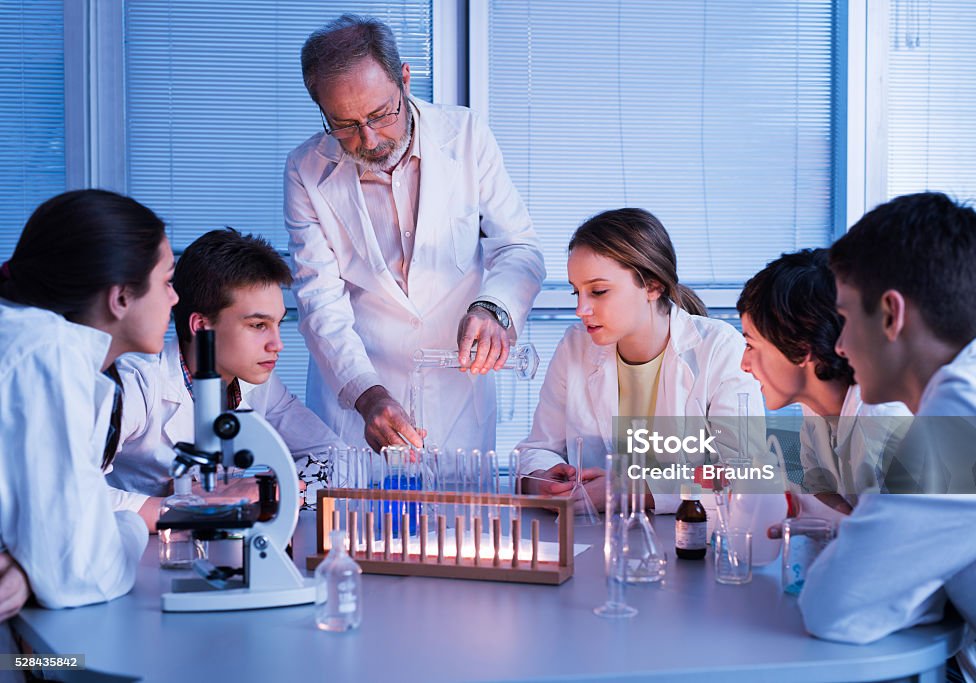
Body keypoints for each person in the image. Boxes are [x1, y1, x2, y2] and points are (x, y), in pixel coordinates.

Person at [286, 14, 545, 454]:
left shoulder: (466, 137)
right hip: (358, 404)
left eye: (380, 113)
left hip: (456, 395)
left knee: (458, 521)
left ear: (404, 79)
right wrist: (368, 396)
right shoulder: (306, 169)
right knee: (355, 523)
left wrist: (493, 309)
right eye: (345, 124)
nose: (368, 139)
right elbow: (319, 300)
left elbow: (518, 247)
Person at [800, 192, 976, 682]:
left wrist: (895, 572)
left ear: (890, 314)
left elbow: (834, 606)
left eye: (844, 317)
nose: (837, 345)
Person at [516, 208, 775, 520]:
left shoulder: (719, 348)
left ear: (653, 286)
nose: (581, 309)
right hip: (596, 540)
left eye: (598, 291)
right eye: (577, 292)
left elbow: (745, 475)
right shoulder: (575, 346)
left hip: (692, 541)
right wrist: (542, 481)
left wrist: (630, 490)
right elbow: (537, 449)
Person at [0, 189, 176, 613]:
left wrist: (36, 566)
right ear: (120, 298)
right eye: (167, 282)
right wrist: (131, 526)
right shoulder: (48, 353)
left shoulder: (39, 341)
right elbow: (83, 571)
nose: (174, 298)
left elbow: (65, 539)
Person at [109, 229, 344, 528]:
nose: (277, 344)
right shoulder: (137, 386)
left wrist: (254, 489)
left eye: (278, 323)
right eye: (258, 325)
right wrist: (186, 509)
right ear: (202, 326)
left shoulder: (258, 385)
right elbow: (71, 489)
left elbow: (334, 456)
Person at [736, 248, 910, 520]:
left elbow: (901, 540)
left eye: (750, 345)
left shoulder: (883, 423)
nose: (744, 364)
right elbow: (820, 488)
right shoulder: (816, 408)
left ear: (802, 345)